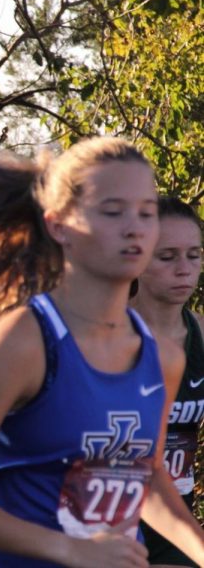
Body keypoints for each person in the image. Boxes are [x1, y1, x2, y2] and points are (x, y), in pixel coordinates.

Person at [0, 138, 204, 566]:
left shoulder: (164, 360)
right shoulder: (24, 341)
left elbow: (148, 476)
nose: (135, 227)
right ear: (59, 225)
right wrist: (72, 550)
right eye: (112, 211)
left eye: (146, 212)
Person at [131, 197, 204, 568]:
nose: (184, 269)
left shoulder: (198, 338)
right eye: (167, 256)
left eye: (193, 255)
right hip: (102, 520)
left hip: (173, 517)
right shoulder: (100, 336)